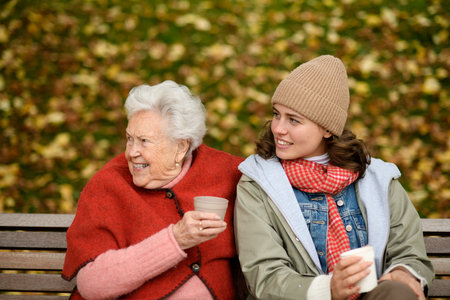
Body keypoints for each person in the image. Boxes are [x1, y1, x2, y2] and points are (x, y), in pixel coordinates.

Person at [234, 55, 434, 300]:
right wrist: (328, 290)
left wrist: (404, 273)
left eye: (293, 120)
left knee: (396, 292)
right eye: (277, 114)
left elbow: (407, 250)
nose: (278, 128)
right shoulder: (258, 184)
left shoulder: (376, 179)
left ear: (327, 129)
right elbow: (265, 275)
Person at [62, 80, 244, 299]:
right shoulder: (108, 185)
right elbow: (92, 284)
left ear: (181, 147)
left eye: (144, 141)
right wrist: (176, 239)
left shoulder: (227, 171)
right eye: (129, 139)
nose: (132, 152)